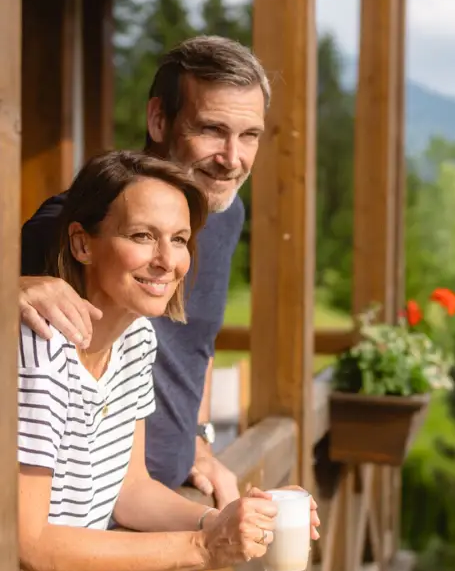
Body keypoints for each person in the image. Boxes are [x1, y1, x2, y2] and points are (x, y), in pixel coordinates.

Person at [18, 150, 296, 571]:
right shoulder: (38, 346)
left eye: (181, 239)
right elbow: (27, 546)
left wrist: (221, 518)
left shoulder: (137, 340)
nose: (168, 261)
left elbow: (131, 490)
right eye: (143, 236)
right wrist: (203, 546)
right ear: (82, 243)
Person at [20, 36, 269, 509]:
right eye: (212, 130)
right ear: (159, 119)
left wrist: (198, 438)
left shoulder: (226, 214)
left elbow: (199, 341)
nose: (232, 158)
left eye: (250, 135)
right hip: (80, 519)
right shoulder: (69, 224)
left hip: (161, 502)